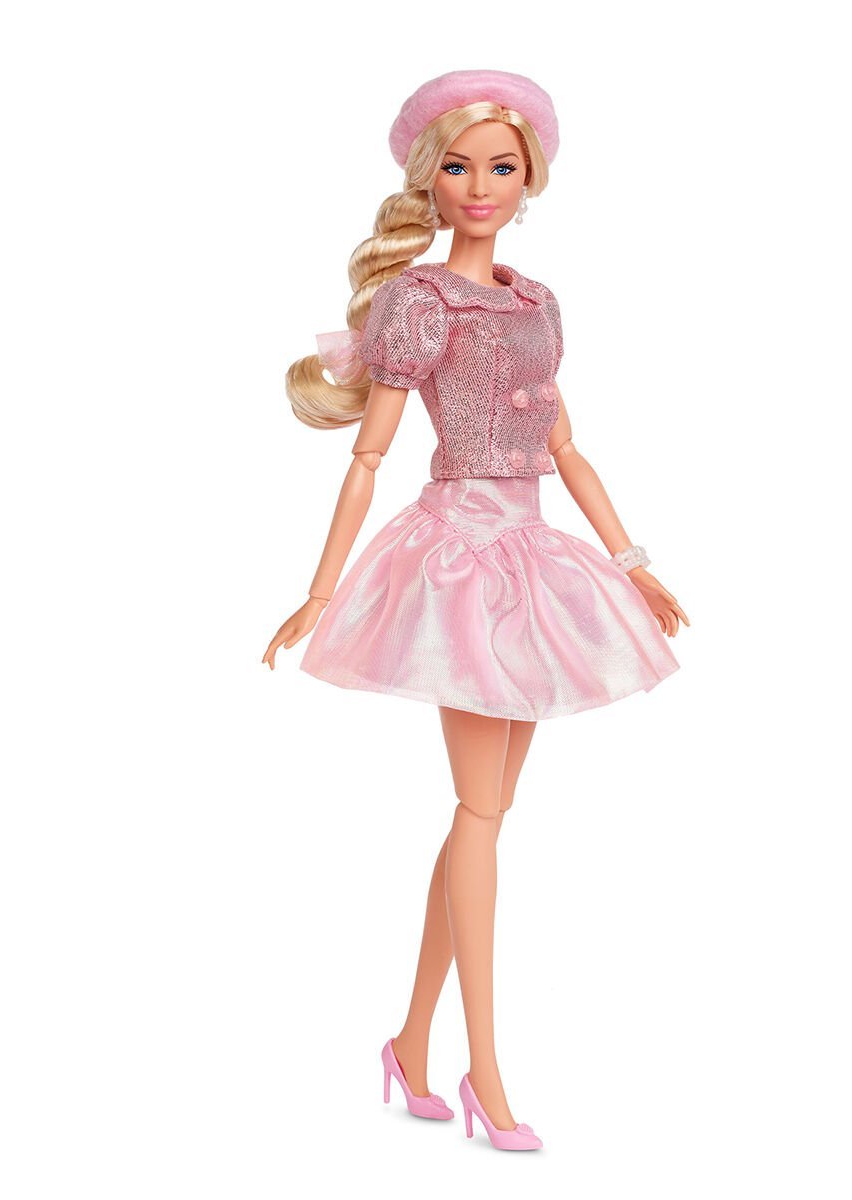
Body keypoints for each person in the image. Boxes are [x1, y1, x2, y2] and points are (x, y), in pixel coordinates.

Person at [263, 68, 689, 1151]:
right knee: (480, 817)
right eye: (459, 166)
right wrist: (320, 590)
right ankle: (484, 1076)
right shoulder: (420, 302)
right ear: (430, 177)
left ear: (530, 176)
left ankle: (410, 1043)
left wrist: (632, 559)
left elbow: (566, 446)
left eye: (501, 167)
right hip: (457, 562)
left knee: (483, 817)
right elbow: (368, 458)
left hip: (534, 560)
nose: (481, 185)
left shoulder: (536, 302)